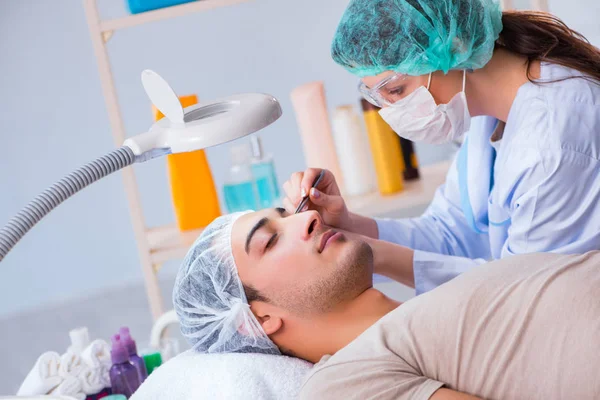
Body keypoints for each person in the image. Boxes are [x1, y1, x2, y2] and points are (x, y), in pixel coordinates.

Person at [283, 0, 600, 294]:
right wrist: (349, 226)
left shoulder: (552, 140)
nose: (390, 111)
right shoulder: (483, 117)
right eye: (379, 98)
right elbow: (450, 233)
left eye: (395, 90)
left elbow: (520, 293)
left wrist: (370, 254)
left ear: (454, 48)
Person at [173, 208, 600, 399]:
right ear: (258, 319)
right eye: (270, 239)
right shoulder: (340, 385)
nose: (308, 218)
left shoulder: (426, 315)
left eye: (288, 213)